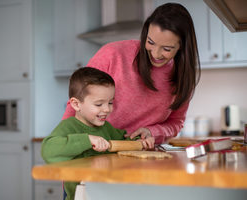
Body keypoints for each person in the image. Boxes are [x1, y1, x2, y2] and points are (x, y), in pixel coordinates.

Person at [63, 3, 200, 144]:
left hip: (140, 154)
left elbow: (176, 123)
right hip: (96, 149)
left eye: (166, 48)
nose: (155, 54)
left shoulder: (182, 77)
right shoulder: (112, 54)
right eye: (150, 42)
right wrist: (64, 141)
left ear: (181, 47)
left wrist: (152, 131)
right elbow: (77, 102)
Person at [41, 67, 154, 200]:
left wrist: (140, 142)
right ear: (76, 104)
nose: (107, 109)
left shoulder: (107, 128)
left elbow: (125, 142)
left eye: (110, 102)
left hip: (107, 194)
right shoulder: (69, 127)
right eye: (99, 104)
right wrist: (87, 140)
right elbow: (47, 150)